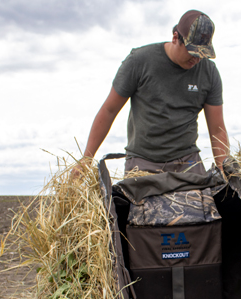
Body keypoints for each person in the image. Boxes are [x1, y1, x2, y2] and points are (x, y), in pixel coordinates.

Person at [79, 10, 229, 175]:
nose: (197, 59)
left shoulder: (208, 71)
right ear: (175, 38)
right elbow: (109, 110)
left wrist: (226, 173)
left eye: (202, 54)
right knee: (135, 201)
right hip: (143, 162)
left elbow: (217, 129)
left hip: (187, 161)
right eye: (192, 52)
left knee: (209, 200)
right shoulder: (139, 61)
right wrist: (86, 159)